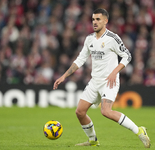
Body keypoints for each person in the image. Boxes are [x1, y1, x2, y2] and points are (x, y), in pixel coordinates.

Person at [53, 8, 150, 148]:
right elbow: (80, 59)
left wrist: (114, 72)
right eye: (93, 19)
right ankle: (93, 141)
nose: (95, 22)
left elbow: (127, 56)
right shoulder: (89, 39)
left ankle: (139, 131)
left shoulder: (113, 38)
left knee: (106, 111)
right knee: (79, 112)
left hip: (109, 81)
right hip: (94, 81)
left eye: (98, 19)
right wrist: (64, 75)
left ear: (106, 21)